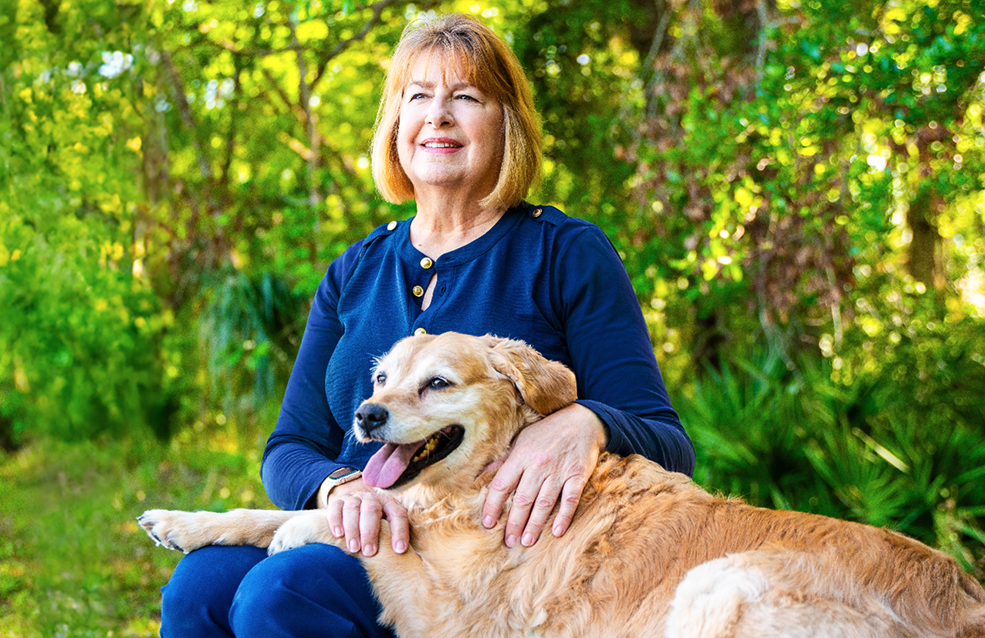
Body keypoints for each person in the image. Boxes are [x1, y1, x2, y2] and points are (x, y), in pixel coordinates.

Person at [155, 14, 696, 637]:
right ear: (396, 124)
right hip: (349, 528)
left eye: (465, 98)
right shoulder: (353, 270)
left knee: (280, 595)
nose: (438, 116)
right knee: (196, 589)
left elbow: (667, 441)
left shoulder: (564, 251)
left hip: (479, 561)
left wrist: (587, 421)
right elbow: (288, 448)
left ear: (507, 124)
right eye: (419, 97)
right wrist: (336, 488)